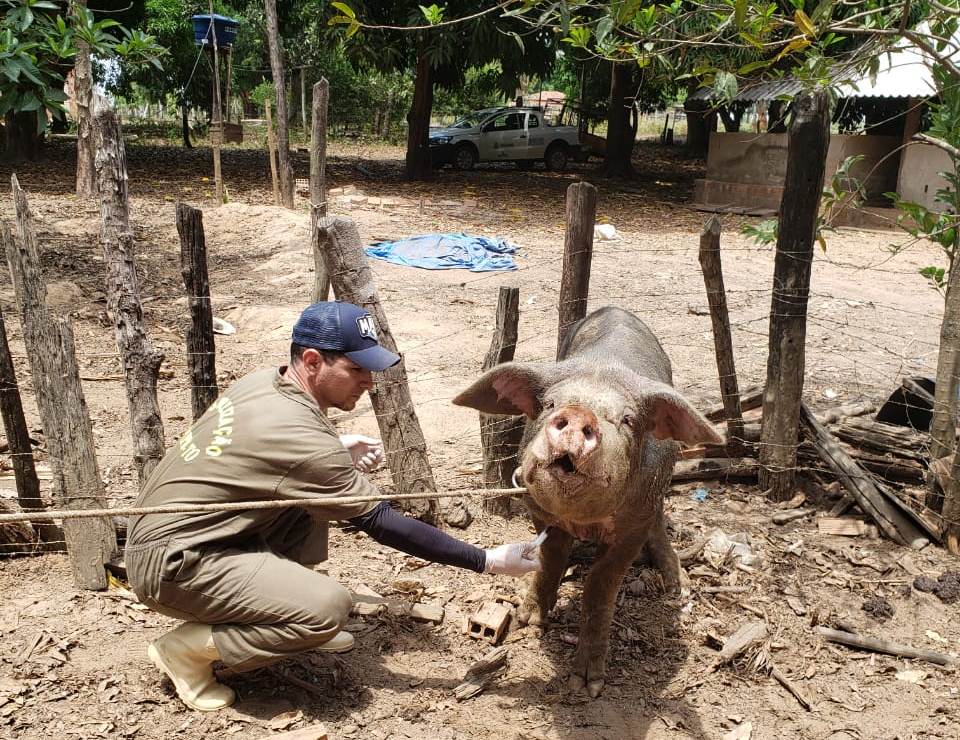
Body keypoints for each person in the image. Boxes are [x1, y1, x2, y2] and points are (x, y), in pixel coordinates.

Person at [125, 301, 541, 712]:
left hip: (183, 536)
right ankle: (187, 652)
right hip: (173, 565)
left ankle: (276, 609)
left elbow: (252, 454)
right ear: (311, 360)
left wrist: (335, 447)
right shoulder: (301, 439)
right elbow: (380, 521)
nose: (369, 383)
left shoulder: (265, 382)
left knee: (315, 501)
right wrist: (485, 560)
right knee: (327, 609)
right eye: (356, 370)